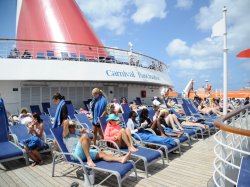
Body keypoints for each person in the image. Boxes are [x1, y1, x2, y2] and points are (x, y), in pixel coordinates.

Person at [63, 120, 131, 167]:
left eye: (74, 126)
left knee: (102, 154)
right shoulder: (65, 135)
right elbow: (66, 122)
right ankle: (89, 160)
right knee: (84, 136)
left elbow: (88, 142)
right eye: (71, 127)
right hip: (76, 154)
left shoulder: (77, 134)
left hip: (85, 152)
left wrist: (84, 134)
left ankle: (121, 159)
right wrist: (69, 123)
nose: (73, 128)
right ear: (67, 128)